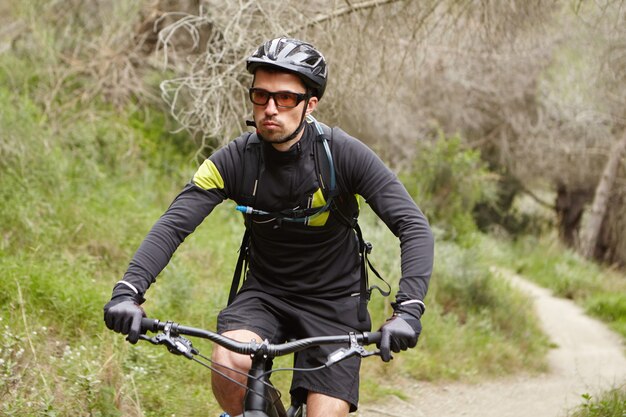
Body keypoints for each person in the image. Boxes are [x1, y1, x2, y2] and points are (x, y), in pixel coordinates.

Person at [104, 37, 434, 417]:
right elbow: (174, 225)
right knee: (229, 363)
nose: (270, 109)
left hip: (335, 302)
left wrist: (408, 310)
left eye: (286, 98)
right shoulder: (233, 160)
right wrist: (129, 291)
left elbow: (412, 225)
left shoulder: (343, 154)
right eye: (260, 96)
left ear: (311, 103)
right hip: (265, 294)